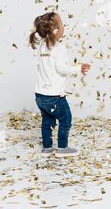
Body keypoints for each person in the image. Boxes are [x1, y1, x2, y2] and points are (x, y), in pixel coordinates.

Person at [29, 12, 91, 157]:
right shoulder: (59, 48)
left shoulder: (41, 47)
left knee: (47, 120)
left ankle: (47, 148)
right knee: (66, 119)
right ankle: (62, 148)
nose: (63, 27)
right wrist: (78, 68)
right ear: (55, 30)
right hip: (54, 96)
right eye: (61, 24)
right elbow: (61, 68)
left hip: (40, 95)